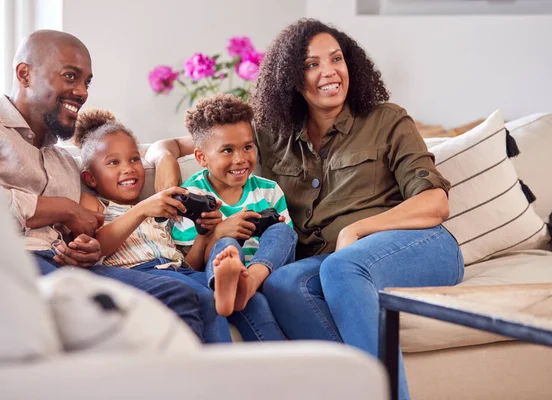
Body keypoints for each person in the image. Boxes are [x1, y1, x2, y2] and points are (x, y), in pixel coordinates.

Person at [148, 19, 464, 399]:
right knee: (283, 281)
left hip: (419, 245)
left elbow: (435, 202)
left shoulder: (387, 120)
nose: (329, 71)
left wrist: (357, 230)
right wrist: (165, 167)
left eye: (336, 59)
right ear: (292, 79)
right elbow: (172, 145)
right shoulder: (268, 133)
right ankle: (352, 388)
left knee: (343, 264)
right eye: (312, 64)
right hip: (328, 261)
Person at [0, 30, 204, 340]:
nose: (82, 92)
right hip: (8, 261)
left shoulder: (66, 163)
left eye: (86, 82)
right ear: (25, 74)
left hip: (65, 267)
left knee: (176, 293)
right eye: (70, 76)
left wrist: (86, 248)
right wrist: (66, 209)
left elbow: (80, 237)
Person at [74, 108, 231, 343]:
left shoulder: (160, 209)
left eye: (134, 158)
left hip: (180, 272)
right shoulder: (94, 204)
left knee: (234, 296)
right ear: (90, 179)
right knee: (204, 297)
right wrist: (143, 209)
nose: (128, 168)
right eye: (113, 162)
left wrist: (203, 234)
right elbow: (96, 247)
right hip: (137, 275)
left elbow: (188, 265)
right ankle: (205, 372)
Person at [173, 94, 297, 331]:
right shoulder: (192, 197)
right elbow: (189, 267)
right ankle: (232, 286)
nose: (240, 159)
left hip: (267, 273)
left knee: (282, 230)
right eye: (227, 150)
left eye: (247, 147)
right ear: (201, 157)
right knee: (228, 244)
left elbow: (286, 246)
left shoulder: (268, 190)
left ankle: (247, 283)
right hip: (221, 285)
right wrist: (217, 233)